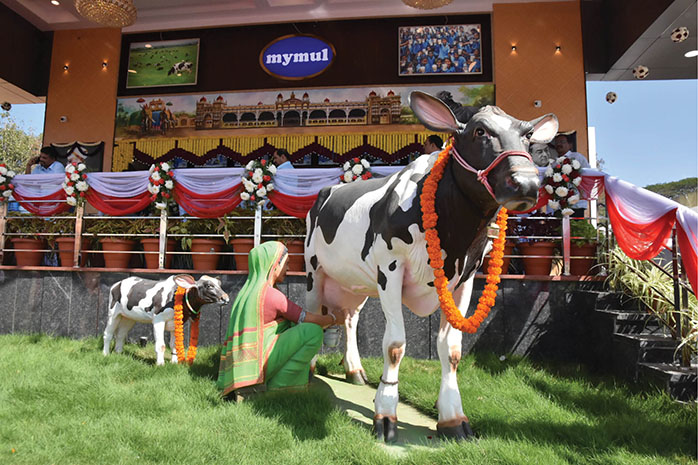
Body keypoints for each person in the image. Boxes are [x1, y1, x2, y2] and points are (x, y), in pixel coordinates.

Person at [217, 241, 346, 397]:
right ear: (274, 265)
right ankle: (280, 386)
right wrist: (334, 318)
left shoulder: (246, 293)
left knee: (293, 326)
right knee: (312, 332)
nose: (288, 268)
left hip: (245, 367)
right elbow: (307, 318)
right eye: (286, 263)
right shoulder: (271, 295)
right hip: (260, 363)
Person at [554, 133, 591, 218]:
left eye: (562, 142)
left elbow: (588, 175)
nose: (559, 144)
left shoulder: (577, 157)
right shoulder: (554, 162)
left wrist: (583, 193)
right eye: (557, 143)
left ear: (570, 145)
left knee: (576, 226)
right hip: (559, 205)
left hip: (576, 203)